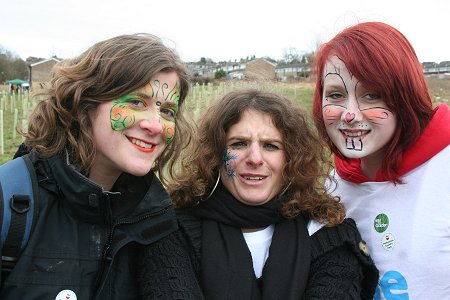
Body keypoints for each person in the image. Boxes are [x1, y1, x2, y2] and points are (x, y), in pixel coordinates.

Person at [1, 33, 203, 299]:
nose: (155, 125)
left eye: (166, 110)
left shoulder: (159, 219)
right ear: (85, 103)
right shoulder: (10, 200)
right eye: (135, 102)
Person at [138, 89, 379, 299]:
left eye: (270, 146)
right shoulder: (171, 232)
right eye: (238, 143)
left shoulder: (330, 236)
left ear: (292, 159)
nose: (254, 158)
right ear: (214, 156)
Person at [312, 21, 450, 299]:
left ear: (404, 96)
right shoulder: (330, 190)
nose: (350, 114)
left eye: (372, 95)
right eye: (336, 95)